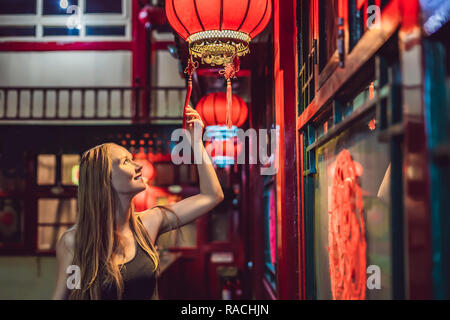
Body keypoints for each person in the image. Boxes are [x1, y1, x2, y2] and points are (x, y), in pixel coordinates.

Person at [52, 106, 224, 299]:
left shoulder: (149, 223)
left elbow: (212, 195)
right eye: (126, 162)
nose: (139, 165)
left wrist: (196, 143)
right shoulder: (73, 242)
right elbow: (64, 296)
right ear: (104, 179)